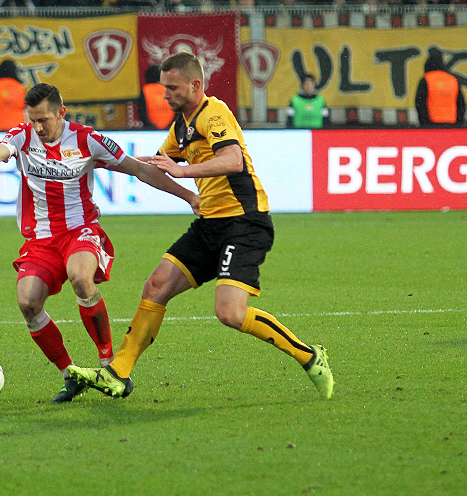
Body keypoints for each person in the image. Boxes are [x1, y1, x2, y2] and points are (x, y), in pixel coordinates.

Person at [68, 51, 335, 400]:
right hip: (210, 223)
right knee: (156, 286)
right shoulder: (181, 126)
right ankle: (118, 373)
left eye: (172, 88)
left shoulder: (214, 113)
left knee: (230, 313)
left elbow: (233, 160)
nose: (165, 94)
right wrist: (107, 161)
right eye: (163, 87)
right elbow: (154, 166)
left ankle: (310, 356)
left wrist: (184, 171)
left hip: (244, 222)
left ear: (195, 85)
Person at [0, 83, 199, 403]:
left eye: (44, 120)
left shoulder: (87, 139)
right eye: (33, 120)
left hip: (80, 230)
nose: (38, 127)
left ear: (61, 113)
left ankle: (110, 365)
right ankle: (70, 375)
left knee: (80, 277)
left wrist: (188, 196)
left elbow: (139, 170)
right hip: (41, 239)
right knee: (28, 302)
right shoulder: (22, 136)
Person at [415, 49, 466, 127]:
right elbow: (461, 104)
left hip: (432, 124)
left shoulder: (426, 79)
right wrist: (458, 123)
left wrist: (424, 123)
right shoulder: (453, 80)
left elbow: (420, 103)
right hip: (451, 124)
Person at [138, 64, 174, 130]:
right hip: (169, 129)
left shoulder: (145, 90)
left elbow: (142, 113)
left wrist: (151, 127)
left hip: (151, 130)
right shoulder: (170, 89)